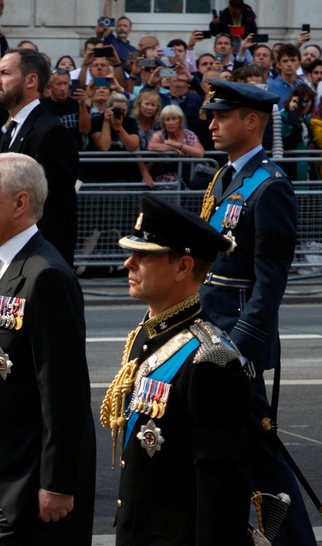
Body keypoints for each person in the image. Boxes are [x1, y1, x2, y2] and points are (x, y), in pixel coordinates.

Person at [0, 152, 96, 544]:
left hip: (20, 469)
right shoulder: (3, 263)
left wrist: (59, 481)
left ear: (20, 203)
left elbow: (63, 389)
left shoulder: (44, 275)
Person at [198, 79, 313, 546]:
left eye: (221, 116)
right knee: (225, 448)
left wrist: (240, 347)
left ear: (252, 122)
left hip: (234, 345)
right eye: (211, 115)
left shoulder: (270, 186)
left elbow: (270, 282)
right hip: (206, 331)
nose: (211, 124)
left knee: (260, 455)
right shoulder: (224, 176)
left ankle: (295, 542)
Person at [103, 193, 249, 545]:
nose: (128, 263)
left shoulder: (210, 360)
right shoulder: (146, 334)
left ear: (183, 267)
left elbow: (221, 493)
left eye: (144, 255)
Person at [0, 49, 79, 265]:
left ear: (31, 80)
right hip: (11, 255)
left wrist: (47, 267)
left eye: (4, 73)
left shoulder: (51, 132)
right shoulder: (10, 130)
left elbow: (55, 211)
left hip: (37, 263)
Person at [147, 104, 204, 184]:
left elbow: (200, 153)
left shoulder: (189, 134)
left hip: (188, 178)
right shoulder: (160, 134)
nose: (171, 123)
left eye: (174, 119)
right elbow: (151, 146)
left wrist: (178, 145)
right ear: (163, 121)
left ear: (180, 120)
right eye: (167, 119)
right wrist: (172, 148)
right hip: (165, 180)